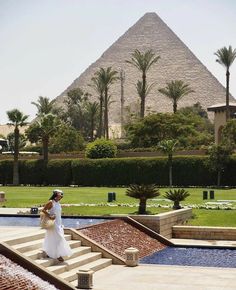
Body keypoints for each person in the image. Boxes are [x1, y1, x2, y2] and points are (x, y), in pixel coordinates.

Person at [42, 189, 72, 262]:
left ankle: (50, 252)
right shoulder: (51, 202)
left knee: (53, 238)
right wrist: (50, 215)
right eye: (59, 195)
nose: (61, 196)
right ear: (55, 195)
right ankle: (58, 255)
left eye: (61, 195)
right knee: (59, 238)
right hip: (53, 223)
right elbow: (43, 210)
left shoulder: (58, 203)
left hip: (59, 223)